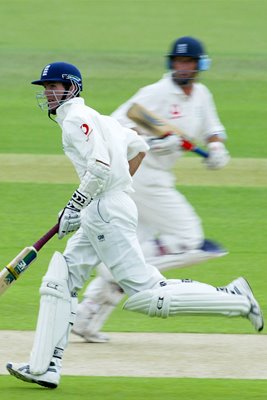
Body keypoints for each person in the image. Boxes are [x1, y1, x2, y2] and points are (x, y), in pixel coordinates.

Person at [6, 61, 263, 390]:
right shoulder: (100, 119)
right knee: (62, 277)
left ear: (71, 88)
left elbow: (99, 167)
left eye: (54, 86)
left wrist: (77, 204)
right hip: (104, 206)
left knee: (146, 295)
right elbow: (139, 147)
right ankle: (46, 366)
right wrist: (107, 191)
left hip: (104, 211)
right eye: (45, 88)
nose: (48, 93)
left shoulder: (75, 120)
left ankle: (236, 298)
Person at [72, 36, 231, 343]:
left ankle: (86, 316)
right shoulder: (156, 93)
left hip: (160, 177)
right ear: (170, 63)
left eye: (188, 63)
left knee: (137, 244)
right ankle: (114, 270)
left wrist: (215, 147)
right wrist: (157, 141)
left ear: (199, 66)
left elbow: (213, 129)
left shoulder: (201, 95)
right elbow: (114, 128)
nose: (182, 67)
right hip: (142, 175)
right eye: (177, 62)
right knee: (191, 240)